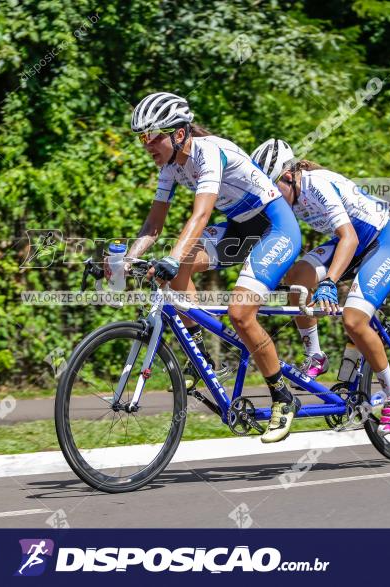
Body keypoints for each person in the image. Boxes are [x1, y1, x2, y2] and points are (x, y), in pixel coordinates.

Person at [127, 93, 303, 443]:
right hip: (240, 227)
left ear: (178, 133)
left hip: (274, 226)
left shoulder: (208, 152)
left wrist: (173, 257)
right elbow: (154, 225)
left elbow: (201, 215)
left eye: (152, 135)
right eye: (141, 137)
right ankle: (202, 359)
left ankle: (283, 396)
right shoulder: (169, 167)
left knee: (240, 313)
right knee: (178, 270)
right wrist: (128, 259)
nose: (147, 144)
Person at [251, 138, 390, 435]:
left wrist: (329, 283)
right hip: (351, 244)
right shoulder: (287, 195)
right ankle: (316, 355)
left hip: (383, 242)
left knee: (353, 319)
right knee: (297, 277)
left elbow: (348, 238)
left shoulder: (316, 185)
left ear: (288, 176)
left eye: (274, 188)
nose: (271, 196)